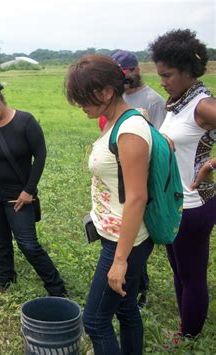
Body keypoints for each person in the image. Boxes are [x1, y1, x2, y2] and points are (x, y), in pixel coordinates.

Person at [65, 55, 154, 354]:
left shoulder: (130, 129)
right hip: (117, 236)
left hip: (123, 242)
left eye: (82, 98)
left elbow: (137, 197)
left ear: (105, 92)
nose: (80, 105)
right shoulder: (117, 120)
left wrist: (119, 261)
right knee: (126, 309)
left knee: (95, 320)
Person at [0, 80, 67, 296]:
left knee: (28, 244)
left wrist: (29, 190)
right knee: (0, 241)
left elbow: (40, 156)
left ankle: (56, 288)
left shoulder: (25, 121)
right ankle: (6, 280)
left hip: (17, 195)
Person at [149, 29, 215, 339]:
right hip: (174, 202)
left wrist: (211, 165)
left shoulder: (203, 105)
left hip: (194, 205)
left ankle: (188, 335)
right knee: (180, 271)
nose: (162, 80)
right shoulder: (178, 101)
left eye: (168, 74)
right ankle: (185, 323)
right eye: (160, 74)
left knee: (192, 275)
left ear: (188, 70)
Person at [109, 49, 167, 309]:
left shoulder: (153, 100)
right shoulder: (116, 98)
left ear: (135, 70)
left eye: (125, 74)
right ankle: (133, 284)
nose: (123, 79)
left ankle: (140, 287)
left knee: (139, 235)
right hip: (118, 178)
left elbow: (162, 142)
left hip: (141, 175)